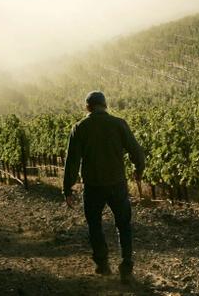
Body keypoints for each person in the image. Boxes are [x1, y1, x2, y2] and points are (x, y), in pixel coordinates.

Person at [63, 91, 146, 284]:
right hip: (117, 183)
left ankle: (103, 264)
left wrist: (67, 189)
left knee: (95, 225)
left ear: (87, 107)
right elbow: (137, 151)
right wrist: (138, 169)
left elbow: (72, 162)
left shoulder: (79, 128)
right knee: (124, 225)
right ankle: (126, 266)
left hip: (93, 187)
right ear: (105, 105)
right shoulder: (119, 124)